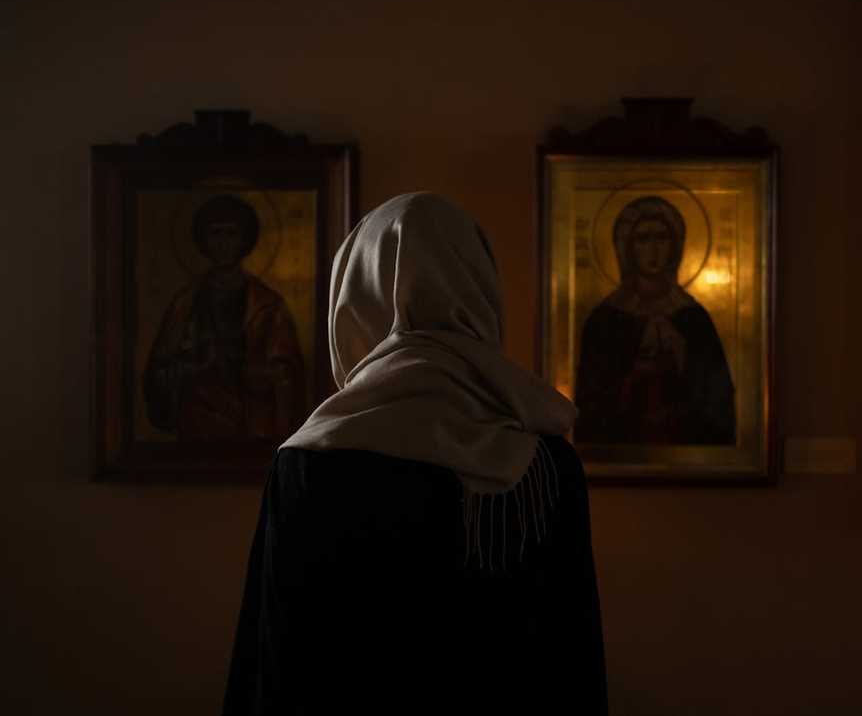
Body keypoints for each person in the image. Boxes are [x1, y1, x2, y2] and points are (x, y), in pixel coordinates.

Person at [221, 192, 608, 715]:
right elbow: (573, 663)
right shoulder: (544, 463)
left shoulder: (311, 461)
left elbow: (275, 662)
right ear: (479, 292)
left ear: (357, 297)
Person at [575, 195, 735, 445]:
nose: (653, 249)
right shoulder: (604, 320)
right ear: (627, 247)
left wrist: (684, 358)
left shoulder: (694, 319)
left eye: (662, 238)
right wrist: (632, 376)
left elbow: (718, 401)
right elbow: (589, 405)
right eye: (643, 239)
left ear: (675, 245)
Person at [144, 194, 306, 441]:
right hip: (198, 418)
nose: (223, 244)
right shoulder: (185, 303)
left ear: (245, 240)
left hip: (253, 420)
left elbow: (288, 372)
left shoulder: (268, 306)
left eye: (231, 234)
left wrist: (259, 374)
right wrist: (190, 370)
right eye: (215, 234)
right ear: (203, 241)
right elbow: (159, 370)